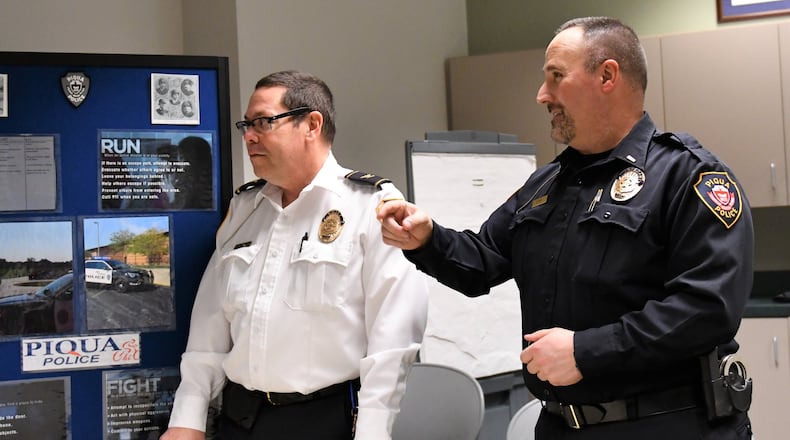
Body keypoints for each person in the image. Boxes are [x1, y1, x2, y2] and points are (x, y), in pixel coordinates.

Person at [377, 16, 754, 440]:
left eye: (556, 77)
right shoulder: (547, 185)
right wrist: (426, 239)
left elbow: (708, 310)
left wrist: (585, 353)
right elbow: (481, 261)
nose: (542, 95)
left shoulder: (687, 177)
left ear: (607, 75)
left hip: (667, 425)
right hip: (560, 425)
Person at [162, 70, 429, 440]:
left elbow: (393, 343)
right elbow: (210, 324)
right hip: (240, 420)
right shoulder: (245, 208)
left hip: (320, 420)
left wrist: (372, 434)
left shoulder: (372, 206)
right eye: (246, 125)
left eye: (264, 122)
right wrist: (186, 419)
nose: (249, 136)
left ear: (312, 125)